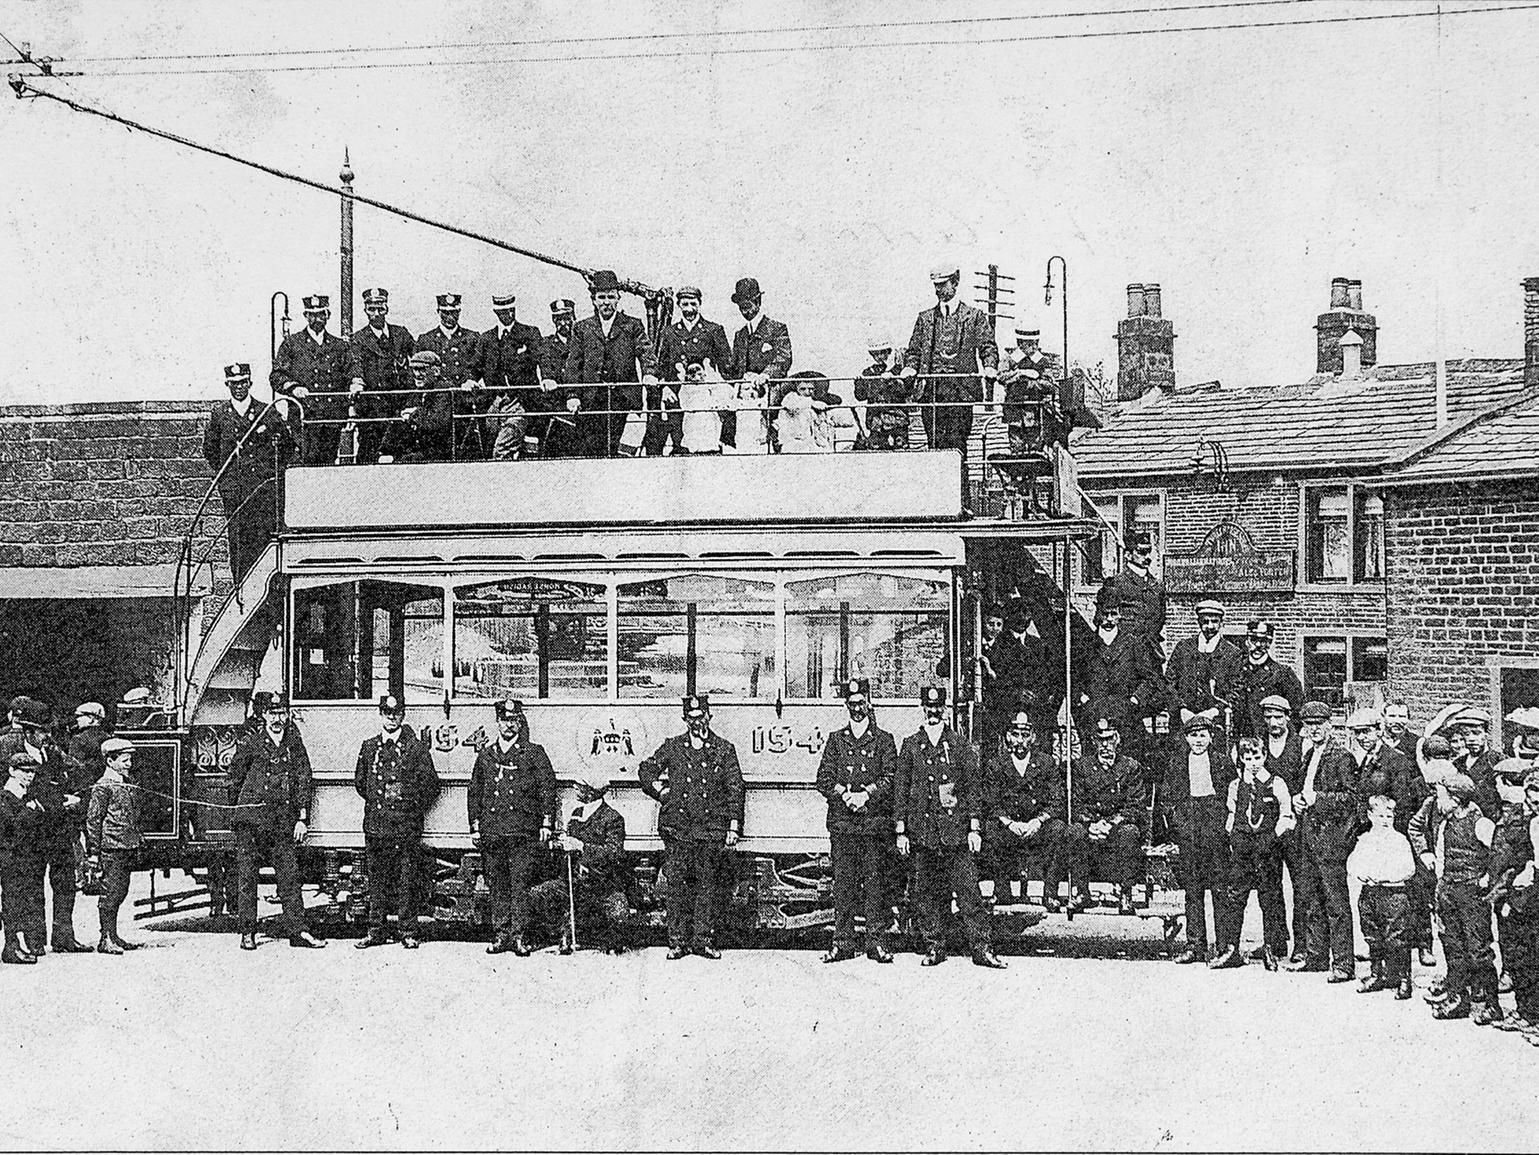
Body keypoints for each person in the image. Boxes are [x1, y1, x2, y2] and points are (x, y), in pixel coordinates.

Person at [894, 687, 1004, 968]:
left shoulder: (959, 744)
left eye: (937, 707)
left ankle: (981, 949)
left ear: (944, 709)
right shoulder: (910, 745)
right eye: (928, 707)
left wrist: (974, 829)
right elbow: (901, 791)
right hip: (923, 833)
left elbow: (971, 790)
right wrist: (901, 830)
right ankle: (934, 946)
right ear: (922, 707)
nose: (933, 712)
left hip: (954, 833)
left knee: (969, 893)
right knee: (925, 893)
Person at [639, 695, 744, 960]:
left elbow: (735, 788)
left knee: (707, 886)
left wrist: (733, 826)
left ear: (709, 717)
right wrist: (661, 791)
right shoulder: (673, 747)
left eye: (701, 717)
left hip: (710, 830)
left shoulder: (723, 748)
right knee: (677, 887)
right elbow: (646, 770)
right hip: (678, 829)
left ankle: (703, 941)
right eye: (691, 719)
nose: (697, 723)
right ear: (685, 720)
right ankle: (677, 942)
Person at [227, 694, 326, 951]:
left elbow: (305, 780)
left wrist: (301, 819)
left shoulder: (294, 744)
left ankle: (298, 932)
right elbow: (234, 780)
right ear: (264, 716)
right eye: (272, 713)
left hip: (282, 822)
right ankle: (247, 931)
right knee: (247, 877)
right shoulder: (251, 743)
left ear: (287, 715)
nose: (277, 719)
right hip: (251, 822)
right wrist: (240, 812)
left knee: (290, 878)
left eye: (282, 713)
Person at [900, 262, 999, 507]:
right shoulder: (925, 318)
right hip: (931, 392)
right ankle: (938, 503)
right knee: (934, 447)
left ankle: (960, 504)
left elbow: (988, 346)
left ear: (955, 283)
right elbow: (913, 350)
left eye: (942, 285)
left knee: (957, 447)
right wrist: (910, 367)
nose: (938, 290)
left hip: (960, 393)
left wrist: (989, 366)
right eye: (935, 286)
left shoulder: (974, 316)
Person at [815, 677, 897, 963]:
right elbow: (823, 779)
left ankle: (875, 943)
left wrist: (867, 795)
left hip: (873, 826)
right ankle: (842, 943)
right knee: (844, 886)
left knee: (875, 885)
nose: (857, 709)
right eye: (851, 705)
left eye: (861, 703)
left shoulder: (884, 740)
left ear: (868, 703)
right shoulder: (836, 740)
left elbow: (890, 778)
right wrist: (845, 794)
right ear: (846, 706)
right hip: (843, 825)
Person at [468, 699, 556, 957]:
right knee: (498, 884)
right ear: (497, 722)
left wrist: (546, 823)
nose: (509, 725)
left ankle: (519, 936)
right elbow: (475, 792)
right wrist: (475, 827)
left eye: (514, 720)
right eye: (505, 720)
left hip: (522, 831)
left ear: (519, 722)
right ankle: (501, 934)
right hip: (493, 831)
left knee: (520, 885)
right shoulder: (486, 755)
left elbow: (546, 788)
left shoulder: (533, 753)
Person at [353, 694, 441, 950]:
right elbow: (361, 784)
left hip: (405, 826)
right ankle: (375, 930)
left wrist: (410, 807)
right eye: (387, 714)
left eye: (396, 714)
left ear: (402, 716)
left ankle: (408, 931)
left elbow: (431, 785)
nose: (391, 718)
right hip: (377, 825)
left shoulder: (415, 748)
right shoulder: (369, 746)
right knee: (377, 880)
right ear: (381, 715)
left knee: (407, 880)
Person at [4, 699, 92, 954]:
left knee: (65, 884)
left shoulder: (52, 751)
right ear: (29, 731)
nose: (48, 736)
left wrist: (69, 795)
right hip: (30, 833)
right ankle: (35, 941)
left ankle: (64, 938)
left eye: (50, 731)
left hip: (60, 829)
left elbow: (74, 773)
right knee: (32, 885)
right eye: (43, 731)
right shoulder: (8, 750)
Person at [1415, 772, 1501, 1023]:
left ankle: (1492, 1005)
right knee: (1453, 946)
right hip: (1449, 892)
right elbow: (1441, 858)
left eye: (1441, 795)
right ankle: (1457, 998)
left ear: (1455, 798)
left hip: (1472, 896)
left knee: (1478, 951)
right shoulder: (1445, 822)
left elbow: (1497, 854)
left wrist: (1486, 879)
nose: (1437, 800)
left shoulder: (1480, 822)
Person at [1286, 701, 1361, 982]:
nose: (1314, 729)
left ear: (1330, 724)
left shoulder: (1341, 757)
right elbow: (1305, 789)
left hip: (1331, 839)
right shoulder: (1309, 755)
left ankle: (1343, 964)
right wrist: (1298, 800)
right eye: (1309, 725)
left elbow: (1352, 800)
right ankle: (1317, 957)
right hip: (1308, 835)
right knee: (1311, 899)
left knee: (1336, 904)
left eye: (1319, 724)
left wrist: (1317, 799)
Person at [203, 363, 289, 579]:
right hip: (235, 492)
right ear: (227, 385)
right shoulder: (220, 415)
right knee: (239, 542)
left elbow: (286, 447)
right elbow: (211, 451)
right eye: (233, 384)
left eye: (243, 382)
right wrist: (229, 478)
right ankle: (241, 589)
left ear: (250, 383)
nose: (239, 387)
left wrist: (270, 474)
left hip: (262, 491)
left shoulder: (266, 412)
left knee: (264, 538)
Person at [531, 767, 631, 954]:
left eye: (579, 786)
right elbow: (570, 843)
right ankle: (563, 931)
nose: (575, 788)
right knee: (538, 894)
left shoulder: (613, 818)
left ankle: (606, 939)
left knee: (617, 910)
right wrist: (561, 844)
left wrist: (581, 846)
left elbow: (614, 853)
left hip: (603, 885)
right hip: (574, 881)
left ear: (590, 792)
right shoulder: (577, 812)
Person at [1217, 736, 1294, 969]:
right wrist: (1233, 835)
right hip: (1242, 848)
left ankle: (1271, 948)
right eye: (1248, 757)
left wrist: (1274, 837)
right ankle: (1232, 950)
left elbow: (1286, 815)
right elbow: (1232, 813)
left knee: (1269, 897)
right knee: (1235, 896)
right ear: (1241, 758)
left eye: (1257, 757)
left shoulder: (1276, 783)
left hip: (1266, 848)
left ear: (1265, 756)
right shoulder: (1235, 785)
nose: (1253, 762)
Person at [565, 270, 660, 458]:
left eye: (611, 297)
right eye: (601, 297)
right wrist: (573, 395)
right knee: (593, 451)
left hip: (623, 399)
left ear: (618, 298)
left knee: (622, 451)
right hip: (592, 400)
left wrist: (649, 373)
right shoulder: (583, 328)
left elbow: (646, 351)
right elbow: (573, 363)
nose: (606, 302)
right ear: (593, 300)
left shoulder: (632, 325)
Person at [1164, 715, 1236, 963]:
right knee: (1192, 889)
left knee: (1219, 887)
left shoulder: (1221, 762)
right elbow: (1169, 797)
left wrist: (1223, 823)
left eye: (1203, 735)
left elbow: (1232, 793)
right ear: (1186, 738)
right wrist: (1179, 824)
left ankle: (1224, 944)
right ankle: (1195, 945)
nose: (1198, 740)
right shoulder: (1177, 763)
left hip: (1214, 822)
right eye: (1193, 735)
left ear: (1211, 737)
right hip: (1189, 823)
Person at [1061, 717, 1146, 914]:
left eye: (1110, 739)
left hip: (1117, 826)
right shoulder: (1082, 766)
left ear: (1118, 739)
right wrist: (1091, 824)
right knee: (1074, 831)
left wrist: (1110, 824)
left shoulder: (1130, 767)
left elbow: (1135, 804)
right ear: (1093, 742)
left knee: (1130, 832)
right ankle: (1081, 892)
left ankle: (1125, 893)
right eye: (1101, 741)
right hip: (1092, 825)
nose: (1106, 745)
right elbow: (1075, 802)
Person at [983, 710, 1066, 911]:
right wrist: (1009, 823)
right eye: (1015, 734)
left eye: (1025, 735)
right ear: (1007, 737)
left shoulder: (1046, 763)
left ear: (1033, 737)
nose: (1020, 741)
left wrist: (1038, 821)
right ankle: (1002, 890)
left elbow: (1057, 800)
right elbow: (991, 802)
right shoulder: (996, 765)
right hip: (1010, 827)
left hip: (1036, 826)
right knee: (991, 828)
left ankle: (1050, 893)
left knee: (1059, 828)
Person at [1485, 767, 1539, 1043]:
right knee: (1520, 957)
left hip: (1531, 896)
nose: (1535, 801)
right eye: (1532, 794)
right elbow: (1509, 859)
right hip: (1519, 898)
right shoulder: (1520, 819)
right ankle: (1526, 1013)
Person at [270, 293, 353, 466]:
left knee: (328, 463)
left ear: (327, 315)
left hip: (332, 417)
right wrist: (293, 388)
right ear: (306, 316)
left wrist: (352, 397)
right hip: (305, 416)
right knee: (308, 463)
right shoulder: (292, 344)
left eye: (321, 314)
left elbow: (350, 373)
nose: (317, 319)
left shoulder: (339, 346)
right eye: (312, 314)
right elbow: (276, 375)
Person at [1347, 793, 1416, 998]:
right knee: (1372, 934)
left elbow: (1408, 868)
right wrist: (1362, 874)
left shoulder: (1399, 840)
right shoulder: (1365, 840)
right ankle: (1377, 974)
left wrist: (1384, 876)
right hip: (1370, 894)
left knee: (1397, 937)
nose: (1385, 821)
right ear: (1370, 816)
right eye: (1380, 816)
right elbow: (1353, 863)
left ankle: (1404, 979)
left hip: (1393, 894)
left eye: (1389, 816)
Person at [653, 285, 732, 456]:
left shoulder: (714, 330)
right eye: (685, 304)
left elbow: (726, 366)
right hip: (677, 398)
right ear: (679, 305)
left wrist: (721, 393)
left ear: (700, 304)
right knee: (680, 445)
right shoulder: (670, 332)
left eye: (693, 304)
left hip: (706, 398)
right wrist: (664, 387)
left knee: (706, 445)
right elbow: (661, 365)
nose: (689, 309)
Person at [1261, 695, 1308, 963]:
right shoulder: (1260, 746)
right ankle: (1276, 942)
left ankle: (1301, 944)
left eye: (1279, 717)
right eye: (1268, 717)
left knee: (1300, 886)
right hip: (1267, 825)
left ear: (1288, 718)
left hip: (1295, 826)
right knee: (1269, 884)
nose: (1273, 722)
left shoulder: (1300, 746)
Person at [1078, 602, 1164, 750]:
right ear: (1097, 614)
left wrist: (1135, 699)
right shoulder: (1086, 644)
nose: (1109, 619)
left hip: (1126, 716)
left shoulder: (1133, 643)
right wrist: (1082, 699)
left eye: (1113, 614)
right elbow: (1075, 676)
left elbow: (1150, 678)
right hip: (1094, 716)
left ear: (1120, 617)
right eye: (1105, 614)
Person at [85, 736, 143, 954]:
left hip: (126, 845)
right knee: (111, 892)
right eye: (124, 760)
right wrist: (93, 852)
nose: (129, 764)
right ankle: (105, 938)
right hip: (112, 847)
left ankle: (114, 935)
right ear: (110, 761)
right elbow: (93, 819)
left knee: (120, 891)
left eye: (129, 759)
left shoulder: (125, 782)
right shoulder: (103, 786)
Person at [347, 287, 415, 463]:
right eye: (371, 309)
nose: (376, 314)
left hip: (400, 405)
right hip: (372, 409)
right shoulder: (359, 339)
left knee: (401, 455)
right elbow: (356, 363)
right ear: (365, 311)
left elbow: (416, 359)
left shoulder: (401, 334)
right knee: (369, 454)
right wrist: (357, 382)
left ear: (387, 309)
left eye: (380, 309)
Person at [415, 293, 486, 458]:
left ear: (459, 312)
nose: (449, 316)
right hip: (437, 406)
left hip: (464, 403)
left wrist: (470, 379)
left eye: (454, 312)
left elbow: (477, 365)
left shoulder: (472, 337)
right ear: (438, 312)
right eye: (445, 312)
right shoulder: (426, 339)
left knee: (467, 450)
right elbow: (418, 373)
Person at [727, 276, 793, 452]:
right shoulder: (739, 335)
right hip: (746, 396)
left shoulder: (777, 328)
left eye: (748, 306)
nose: (745, 312)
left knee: (770, 424)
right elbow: (734, 366)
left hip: (770, 390)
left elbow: (784, 358)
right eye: (741, 308)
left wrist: (765, 375)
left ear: (758, 301)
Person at [477, 292, 545, 459]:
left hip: (521, 402)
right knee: (489, 446)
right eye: (503, 312)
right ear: (496, 313)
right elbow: (475, 366)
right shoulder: (486, 339)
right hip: (495, 402)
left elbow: (544, 358)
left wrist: (548, 378)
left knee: (501, 448)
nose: (508, 315)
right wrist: (470, 380)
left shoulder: (529, 333)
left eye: (511, 310)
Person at [1164, 599, 1244, 737]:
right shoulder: (1183, 648)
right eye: (1205, 622)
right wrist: (1181, 708)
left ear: (1221, 623)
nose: (1210, 626)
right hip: (1182, 720)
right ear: (1198, 622)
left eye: (1214, 621)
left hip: (1215, 722)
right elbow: (1169, 682)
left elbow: (1237, 690)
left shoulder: (1232, 653)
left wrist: (1213, 712)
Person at [0, 752, 44, 964]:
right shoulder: (7, 796)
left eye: (32, 772)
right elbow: (13, 827)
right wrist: (30, 811)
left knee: (25, 900)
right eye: (24, 772)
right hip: (12, 858)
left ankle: (23, 943)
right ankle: (11, 947)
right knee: (12, 901)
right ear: (12, 771)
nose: (29, 776)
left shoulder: (25, 794)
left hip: (27, 857)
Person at [1229, 620, 1304, 740]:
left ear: (1270, 643)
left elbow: (1296, 712)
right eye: (1254, 640)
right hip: (1240, 741)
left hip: (1270, 741)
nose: (1258, 645)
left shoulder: (1283, 674)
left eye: (1264, 641)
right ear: (1247, 641)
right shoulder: (1234, 670)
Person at [378, 351, 455, 464]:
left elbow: (436, 422)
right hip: (420, 446)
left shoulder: (444, 390)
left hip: (440, 450)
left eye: (422, 370)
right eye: (414, 369)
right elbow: (400, 420)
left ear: (436, 371)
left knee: (406, 461)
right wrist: (385, 450)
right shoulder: (417, 391)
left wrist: (414, 414)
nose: (417, 374)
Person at [1095, 531, 1167, 649]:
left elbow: (1160, 618)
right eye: (1141, 553)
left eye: (1149, 552)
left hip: (1150, 651)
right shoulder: (1115, 583)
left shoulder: (1157, 586)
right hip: (1123, 654)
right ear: (1128, 555)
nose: (1147, 557)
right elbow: (1103, 618)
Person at [537, 298, 580, 458]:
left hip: (577, 404)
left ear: (573, 317)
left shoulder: (580, 342)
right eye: (559, 319)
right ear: (554, 320)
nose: (564, 323)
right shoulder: (546, 343)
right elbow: (545, 365)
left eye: (567, 318)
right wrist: (547, 379)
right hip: (555, 405)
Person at [854, 339, 908, 451]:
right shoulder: (868, 373)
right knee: (877, 447)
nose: (880, 356)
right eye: (876, 354)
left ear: (888, 353)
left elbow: (904, 392)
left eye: (883, 353)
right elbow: (860, 396)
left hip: (896, 416)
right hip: (876, 417)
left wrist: (892, 379)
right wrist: (858, 383)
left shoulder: (897, 371)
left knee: (901, 445)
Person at [676, 358, 735, 455]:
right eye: (695, 375)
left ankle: (710, 448)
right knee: (693, 431)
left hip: (707, 412)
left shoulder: (707, 384)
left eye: (700, 374)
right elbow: (683, 399)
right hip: (694, 413)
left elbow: (718, 390)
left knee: (709, 429)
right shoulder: (686, 387)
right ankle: (695, 449)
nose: (699, 377)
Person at [775, 371, 835, 453]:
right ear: (796, 388)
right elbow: (792, 406)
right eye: (803, 389)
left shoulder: (814, 401)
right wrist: (812, 404)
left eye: (810, 389)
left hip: (809, 441)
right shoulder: (791, 397)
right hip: (794, 441)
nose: (807, 392)